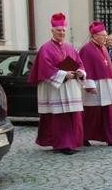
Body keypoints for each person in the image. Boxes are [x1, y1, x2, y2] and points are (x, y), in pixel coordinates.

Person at [28, 12, 86, 155]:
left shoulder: (70, 48)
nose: (62, 33)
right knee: (60, 118)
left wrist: (80, 73)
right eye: (59, 30)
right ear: (52, 30)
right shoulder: (45, 48)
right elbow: (45, 70)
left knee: (72, 116)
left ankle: (73, 142)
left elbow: (80, 64)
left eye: (63, 31)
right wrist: (64, 74)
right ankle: (62, 144)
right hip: (56, 90)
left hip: (70, 88)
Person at [78, 21, 112, 147]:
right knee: (91, 114)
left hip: (108, 85)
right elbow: (85, 68)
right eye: (103, 36)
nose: (106, 38)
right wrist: (89, 86)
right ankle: (84, 137)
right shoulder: (86, 49)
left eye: (106, 36)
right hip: (95, 87)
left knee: (110, 112)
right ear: (94, 36)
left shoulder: (104, 48)